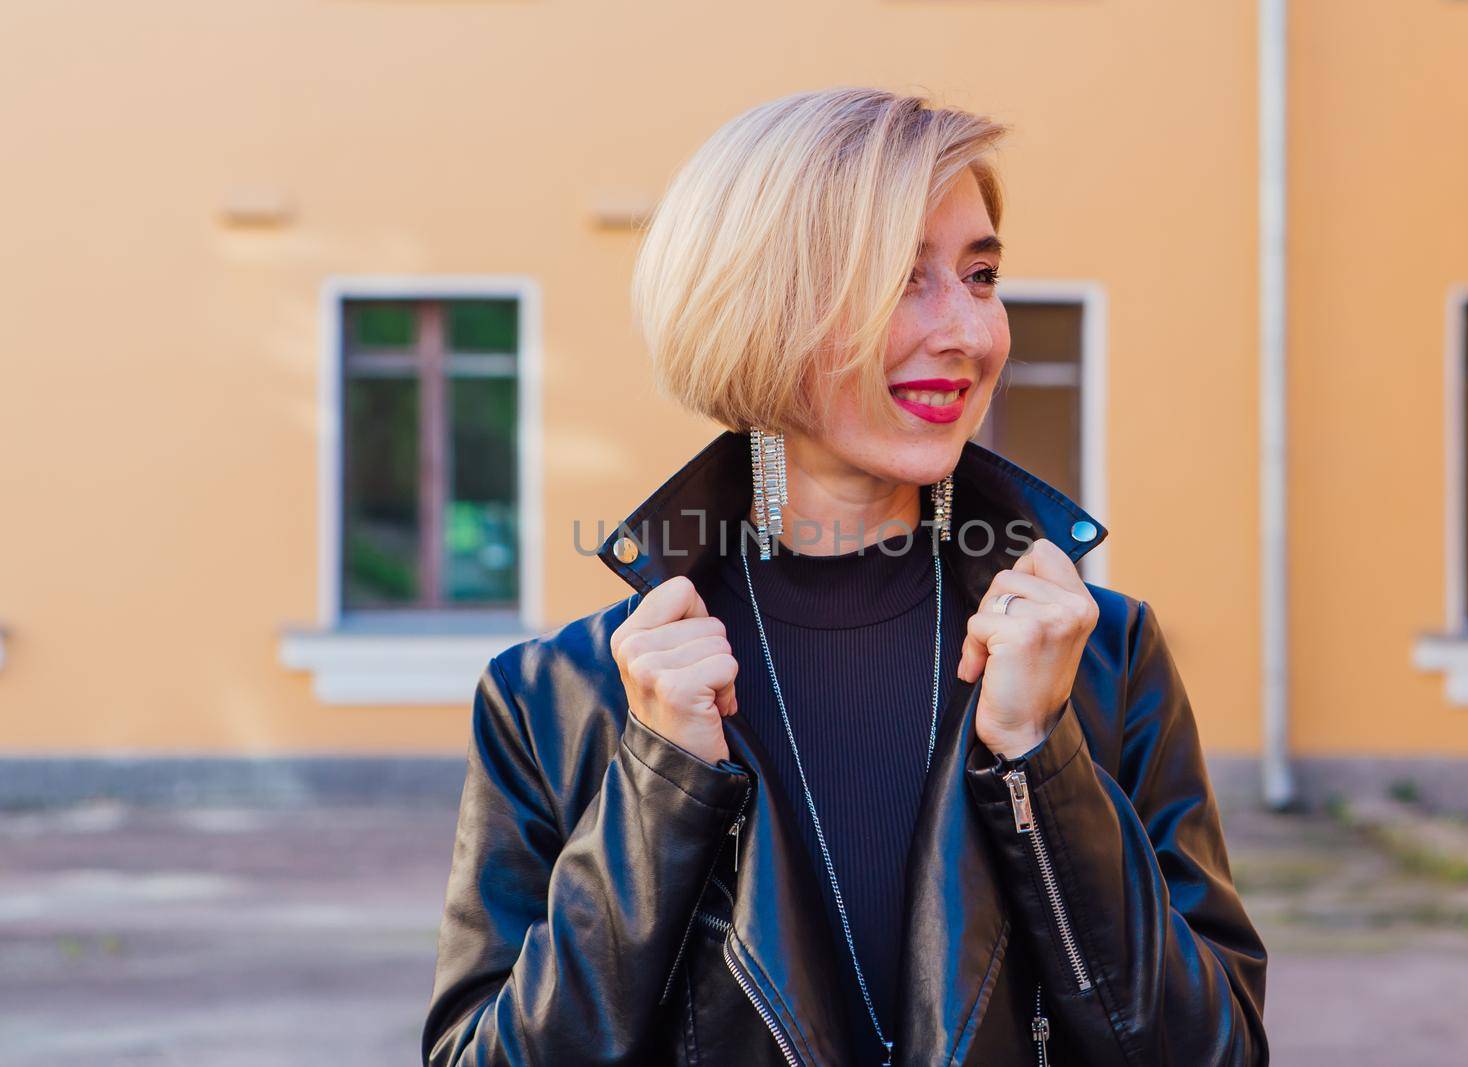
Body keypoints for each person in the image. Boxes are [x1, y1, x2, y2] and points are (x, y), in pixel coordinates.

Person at [423, 86, 1267, 1066]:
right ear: (755, 309)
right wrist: (658, 786)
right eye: (903, 279)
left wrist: (1040, 757)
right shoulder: (559, 698)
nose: (968, 331)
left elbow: (1213, 1050)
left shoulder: (1104, 656)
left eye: (981, 275)